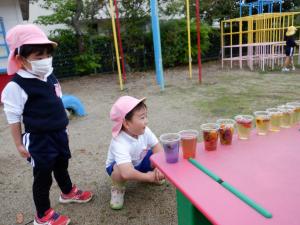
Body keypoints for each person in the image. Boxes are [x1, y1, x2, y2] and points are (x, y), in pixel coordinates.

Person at [1, 24, 93, 225]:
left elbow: (58, 102)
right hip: (39, 139)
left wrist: (65, 128)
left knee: (62, 164)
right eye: (38, 56)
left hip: (59, 134)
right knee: (43, 176)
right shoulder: (16, 86)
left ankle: (67, 192)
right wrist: (18, 144)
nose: (45, 60)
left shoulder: (49, 76)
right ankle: (42, 215)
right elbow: (13, 118)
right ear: (21, 59)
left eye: (47, 55)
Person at [106, 96, 165, 210]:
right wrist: (148, 177)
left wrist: (160, 167)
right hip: (121, 169)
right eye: (142, 118)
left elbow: (157, 148)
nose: (146, 121)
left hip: (139, 161)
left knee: (155, 155)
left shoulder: (145, 130)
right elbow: (127, 173)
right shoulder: (119, 141)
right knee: (119, 171)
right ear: (126, 123)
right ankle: (118, 188)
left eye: (146, 116)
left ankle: (153, 174)